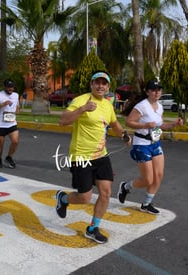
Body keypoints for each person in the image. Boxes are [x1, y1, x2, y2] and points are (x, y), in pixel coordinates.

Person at [55, 71, 131, 244]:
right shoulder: (81, 100)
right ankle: (63, 199)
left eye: (104, 83)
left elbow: (114, 124)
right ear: (91, 84)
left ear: (108, 87)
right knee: (84, 197)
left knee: (106, 193)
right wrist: (82, 109)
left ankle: (92, 228)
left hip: (101, 156)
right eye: (97, 82)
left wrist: (124, 135)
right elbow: (63, 121)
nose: (101, 86)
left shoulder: (107, 105)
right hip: (81, 156)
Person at [117, 79, 183, 215]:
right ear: (147, 92)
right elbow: (129, 122)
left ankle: (146, 204)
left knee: (158, 175)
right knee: (148, 179)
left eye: (159, 89)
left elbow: (160, 125)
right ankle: (125, 186)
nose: (157, 92)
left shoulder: (159, 107)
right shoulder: (142, 106)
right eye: (153, 90)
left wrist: (174, 124)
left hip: (155, 143)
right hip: (141, 144)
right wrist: (145, 126)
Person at [0, 79, 20, 169]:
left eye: (12, 87)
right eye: (9, 87)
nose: (10, 89)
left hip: (11, 123)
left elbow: (17, 106)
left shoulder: (16, 95)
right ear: (5, 87)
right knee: (0, 143)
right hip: (0, 124)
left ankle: (9, 157)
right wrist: (3, 104)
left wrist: (17, 110)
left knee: (15, 141)